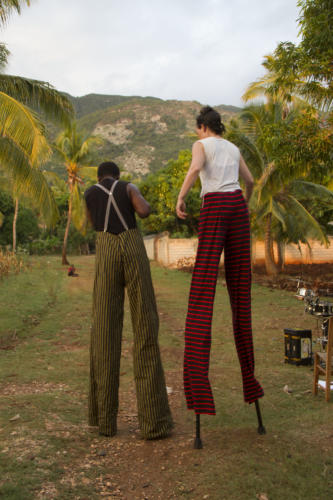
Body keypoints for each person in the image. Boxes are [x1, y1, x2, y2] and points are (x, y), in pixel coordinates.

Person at [176, 106, 264, 416]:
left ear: (202, 127)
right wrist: (245, 202)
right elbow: (251, 181)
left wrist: (181, 196)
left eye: (198, 128)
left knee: (203, 290)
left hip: (214, 204)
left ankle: (199, 390)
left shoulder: (202, 145)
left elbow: (195, 167)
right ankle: (250, 383)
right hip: (238, 206)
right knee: (241, 291)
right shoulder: (234, 147)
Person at [84, 161, 173, 438]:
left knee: (104, 331)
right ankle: (153, 423)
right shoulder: (127, 187)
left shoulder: (89, 193)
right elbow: (144, 211)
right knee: (145, 326)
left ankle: (105, 422)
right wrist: (132, 195)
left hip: (106, 251)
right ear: (117, 175)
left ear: (99, 176)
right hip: (132, 248)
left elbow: (92, 223)